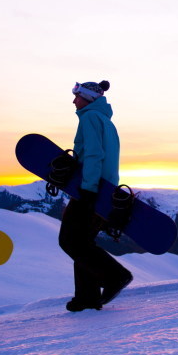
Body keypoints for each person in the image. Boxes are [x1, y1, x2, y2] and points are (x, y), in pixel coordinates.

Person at [58, 80, 134, 312]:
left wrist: (88, 188)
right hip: (105, 190)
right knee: (83, 242)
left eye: (77, 96)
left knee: (70, 240)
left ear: (88, 98)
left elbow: (93, 154)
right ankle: (87, 296)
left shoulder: (90, 118)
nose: (74, 100)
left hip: (91, 188)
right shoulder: (105, 121)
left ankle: (115, 276)